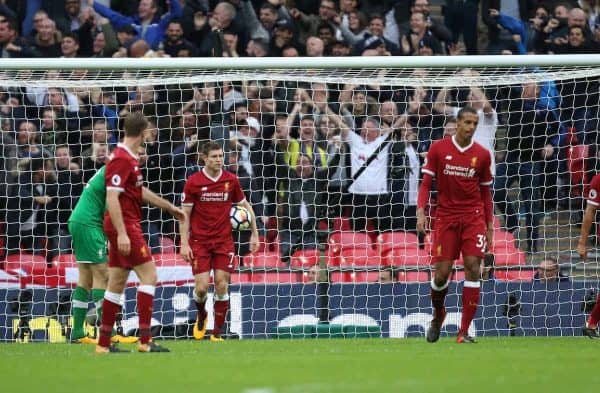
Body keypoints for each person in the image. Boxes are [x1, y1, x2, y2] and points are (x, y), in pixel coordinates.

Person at [96, 112, 185, 353]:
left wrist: (169, 207)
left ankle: (103, 344)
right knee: (149, 275)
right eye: (149, 130)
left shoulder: (130, 157)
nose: (151, 134)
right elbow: (112, 198)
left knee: (116, 282)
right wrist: (123, 233)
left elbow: (138, 191)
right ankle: (145, 340)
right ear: (143, 132)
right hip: (124, 225)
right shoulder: (121, 159)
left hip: (123, 224)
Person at [417, 106, 494, 344]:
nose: (471, 127)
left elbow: (486, 193)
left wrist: (489, 225)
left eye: (474, 123)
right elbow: (426, 183)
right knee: (441, 276)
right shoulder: (439, 148)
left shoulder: (482, 154)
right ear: (457, 123)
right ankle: (439, 314)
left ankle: (463, 331)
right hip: (446, 218)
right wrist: (421, 211)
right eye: (467, 123)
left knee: (473, 267)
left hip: (473, 218)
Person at [180, 141, 259, 341]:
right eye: (214, 156)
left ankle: (217, 332)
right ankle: (202, 314)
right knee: (201, 288)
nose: (219, 160)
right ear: (204, 158)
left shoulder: (231, 180)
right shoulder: (193, 182)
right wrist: (184, 243)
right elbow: (185, 214)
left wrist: (255, 234)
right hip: (200, 242)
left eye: (221, 156)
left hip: (224, 242)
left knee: (222, 285)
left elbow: (246, 206)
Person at [578, 173, 600, 338]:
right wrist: (582, 243)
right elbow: (590, 210)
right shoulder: (598, 180)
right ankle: (592, 322)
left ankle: (591, 323)